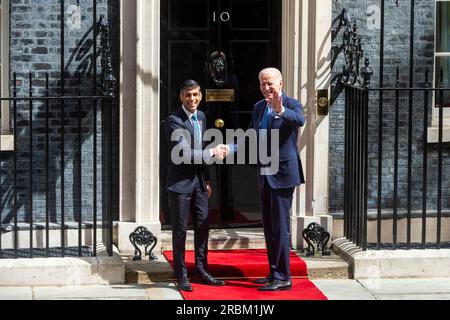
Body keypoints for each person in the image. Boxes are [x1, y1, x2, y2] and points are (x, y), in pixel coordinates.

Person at [229, 68, 305, 291]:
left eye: (270, 83)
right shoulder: (259, 107)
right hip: (264, 172)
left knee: (280, 227)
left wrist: (281, 110)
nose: (266, 88)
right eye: (262, 84)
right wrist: (229, 147)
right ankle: (273, 272)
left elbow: (299, 120)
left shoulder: (291, 104)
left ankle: (284, 277)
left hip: (283, 174)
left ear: (281, 83)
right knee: (269, 227)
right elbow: (251, 138)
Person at [164, 80, 228, 292]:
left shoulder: (201, 117)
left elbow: (202, 147)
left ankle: (201, 270)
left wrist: (207, 180)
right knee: (180, 230)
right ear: (181, 97)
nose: (192, 99)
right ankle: (181, 274)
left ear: (201, 95)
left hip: (199, 183)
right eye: (188, 95)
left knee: (203, 226)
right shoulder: (174, 120)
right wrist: (213, 153)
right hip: (180, 183)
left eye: (196, 95)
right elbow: (183, 154)